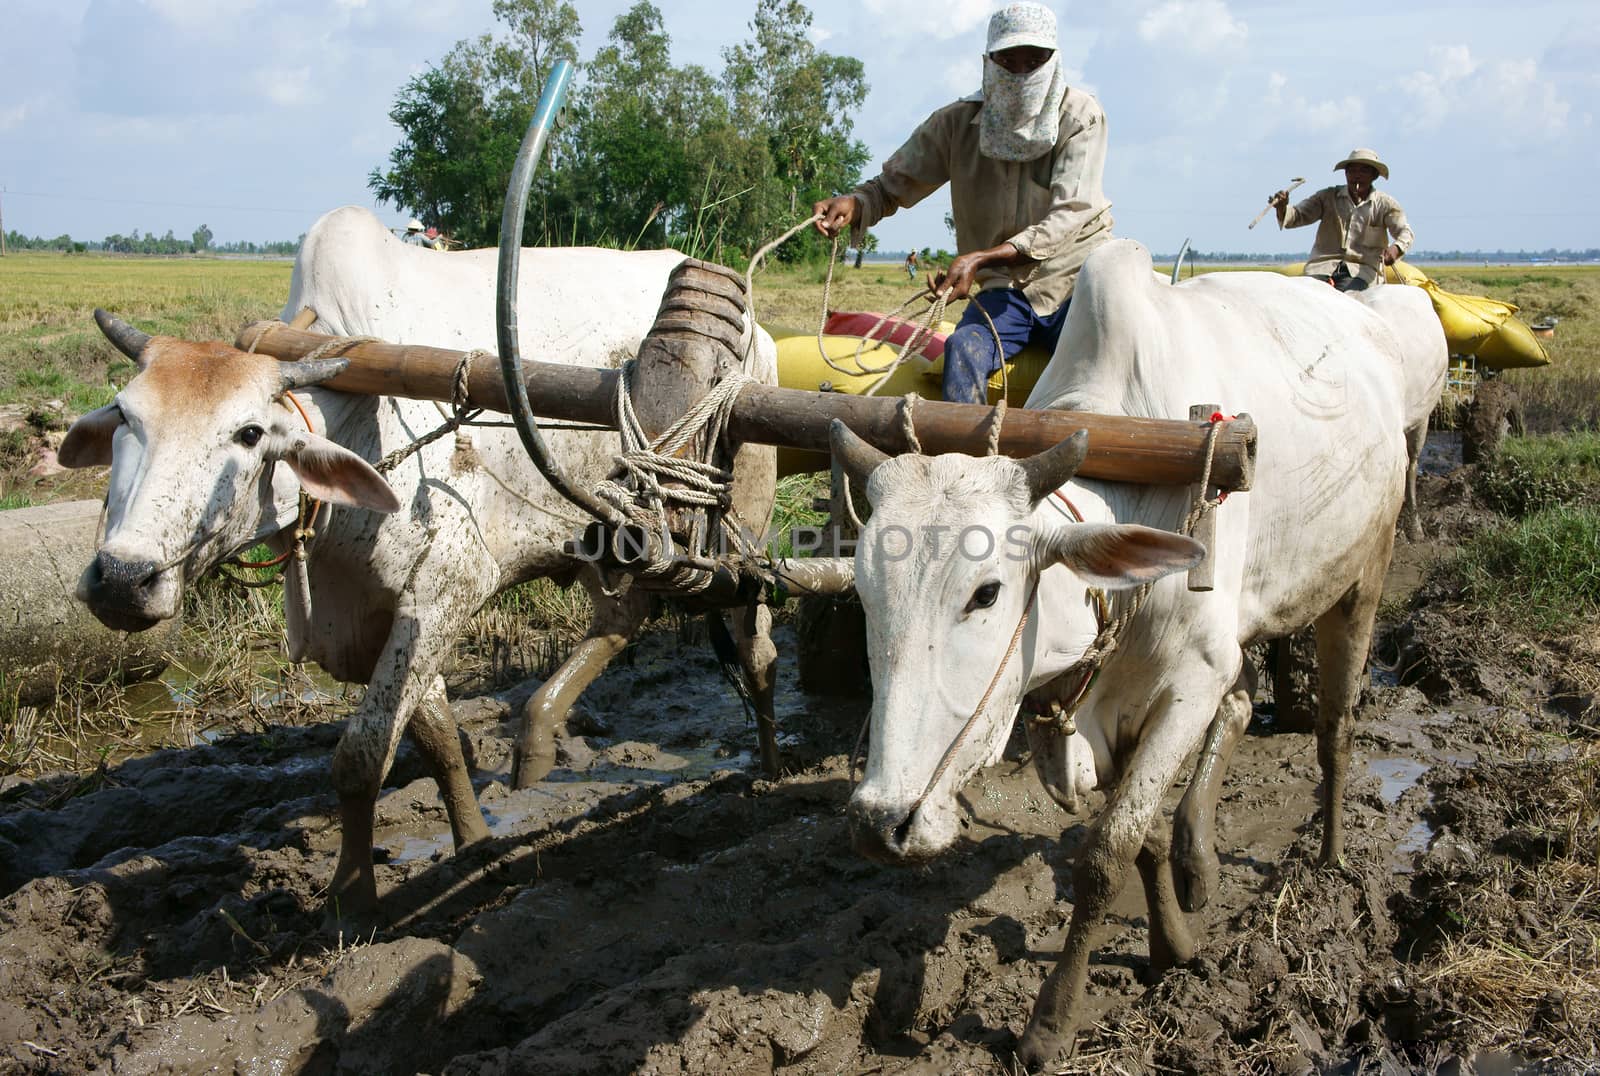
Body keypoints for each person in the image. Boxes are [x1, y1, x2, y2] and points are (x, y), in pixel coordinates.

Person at [813, 2, 1113, 404]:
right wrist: (856, 201)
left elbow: (1068, 215)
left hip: (1075, 282)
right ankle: (965, 465)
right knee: (964, 348)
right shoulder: (957, 123)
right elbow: (891, 186)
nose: (1021, 73)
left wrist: (978, 259)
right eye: (1008, 61)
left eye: (1034, 61)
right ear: (989, 62)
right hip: (1004, 291)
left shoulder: (1079, 117)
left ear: (1053, 62)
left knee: (1110, 361)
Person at [1270, 148, 1413, 292]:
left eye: (1363, 171)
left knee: (1346, 299)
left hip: (1361, 271)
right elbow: (1295, 217)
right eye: (1352, 171)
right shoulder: (1327, 197)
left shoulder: (1385, 204)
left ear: (1374, 175)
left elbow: (1405, 232)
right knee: (1302, 294)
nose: (1357, 176)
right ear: (1346, 173)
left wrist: (1395, 249)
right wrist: (1282, 207)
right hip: (1321, 267)